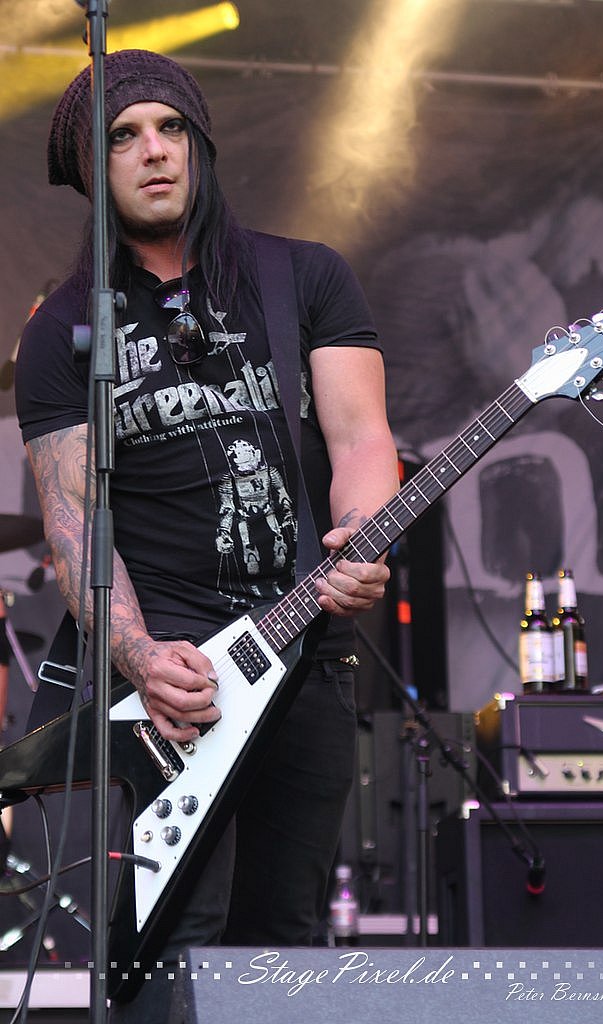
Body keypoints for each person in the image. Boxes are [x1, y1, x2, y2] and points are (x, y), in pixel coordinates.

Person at [14, 50, 399, 1022]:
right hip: (174, 680)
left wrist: (358, 536)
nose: (154, 151)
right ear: (91, 168)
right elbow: (74, 523)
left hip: (303, 650)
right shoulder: (66, 330)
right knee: (171, 944)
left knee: (284, 940)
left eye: (171, 128)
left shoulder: (300, 276)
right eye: (123, 135)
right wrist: (141, 657)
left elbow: (360, 438)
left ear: (201, 146)